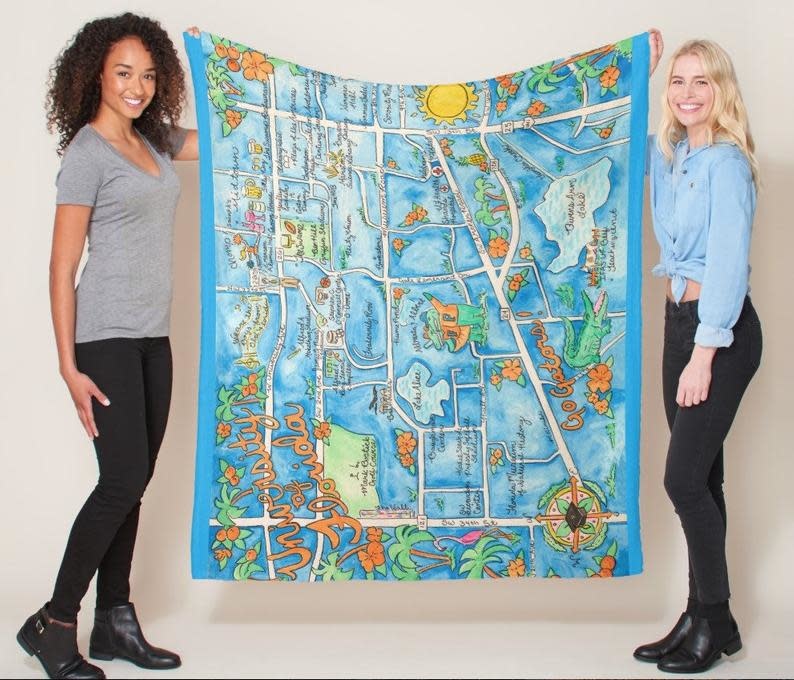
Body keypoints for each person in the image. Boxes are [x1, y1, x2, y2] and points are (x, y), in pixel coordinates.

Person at [16, 13, 198, 679]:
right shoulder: (86, 155)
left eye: (148, 75)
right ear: (95, 74)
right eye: (123, 73)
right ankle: (54, 623)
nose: (136, 87)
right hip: (105, 338)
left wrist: (223, 65)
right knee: (121, 479)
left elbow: (223, 139)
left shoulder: (152, 141)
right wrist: (68, 366)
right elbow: (62, 267)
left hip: (154, 337)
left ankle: (115, 620)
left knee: (135, 481)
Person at [633, 30, 762, 673]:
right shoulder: (672, 156)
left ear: (721, 90)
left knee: (682, 480)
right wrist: (641, 70)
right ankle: (704, 618)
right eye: (677, 82)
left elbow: (730, 269)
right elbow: (621, 142)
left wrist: (704, 354)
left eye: (700, 81)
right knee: (704, 480)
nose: (687, 93)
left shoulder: (728, 165)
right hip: (678, 324)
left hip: (720, 333)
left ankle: (714, 618)